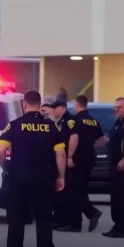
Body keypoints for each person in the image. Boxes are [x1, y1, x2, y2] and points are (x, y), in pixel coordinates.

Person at [0, 90, 66, 247]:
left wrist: (6, 168)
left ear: (24, 104)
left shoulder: (14, 125)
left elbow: (0, 151)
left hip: (19, 177)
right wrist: (61, 177)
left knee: (16, 221)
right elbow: (60, 153)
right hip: (44, 177)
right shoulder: (51, 126)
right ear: (40, 103)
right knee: (44, 220)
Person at [61, 95, 104, 233]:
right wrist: (91, 147)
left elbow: (74, 137)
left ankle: (91, 213)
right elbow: (103, 139)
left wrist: (70, 156)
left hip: (76, 161)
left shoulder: (74, 120)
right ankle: (76, 224)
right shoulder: (93, 121)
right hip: (88, 160)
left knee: (73, 190)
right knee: (81, 190)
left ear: (76, 104)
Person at [103, 97, 124, 238]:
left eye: (119, 107)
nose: (116, 109)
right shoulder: (117, 124)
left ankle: (122, 228)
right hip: (113, 167)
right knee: (114, 199)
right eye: (115, 107)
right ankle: (116, 226)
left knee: (121, 199)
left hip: (122, 169)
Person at [50, 95, 74, 230]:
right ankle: (59, 219)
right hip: (60, 160)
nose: (53, 110)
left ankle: (66, 221)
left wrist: (69, 156)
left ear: (63, 108)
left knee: (66, 193)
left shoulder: (69, 121)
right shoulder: (60, 121)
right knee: (60, 193)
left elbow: (73, 138)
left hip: (66, 161)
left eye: (55, 108)